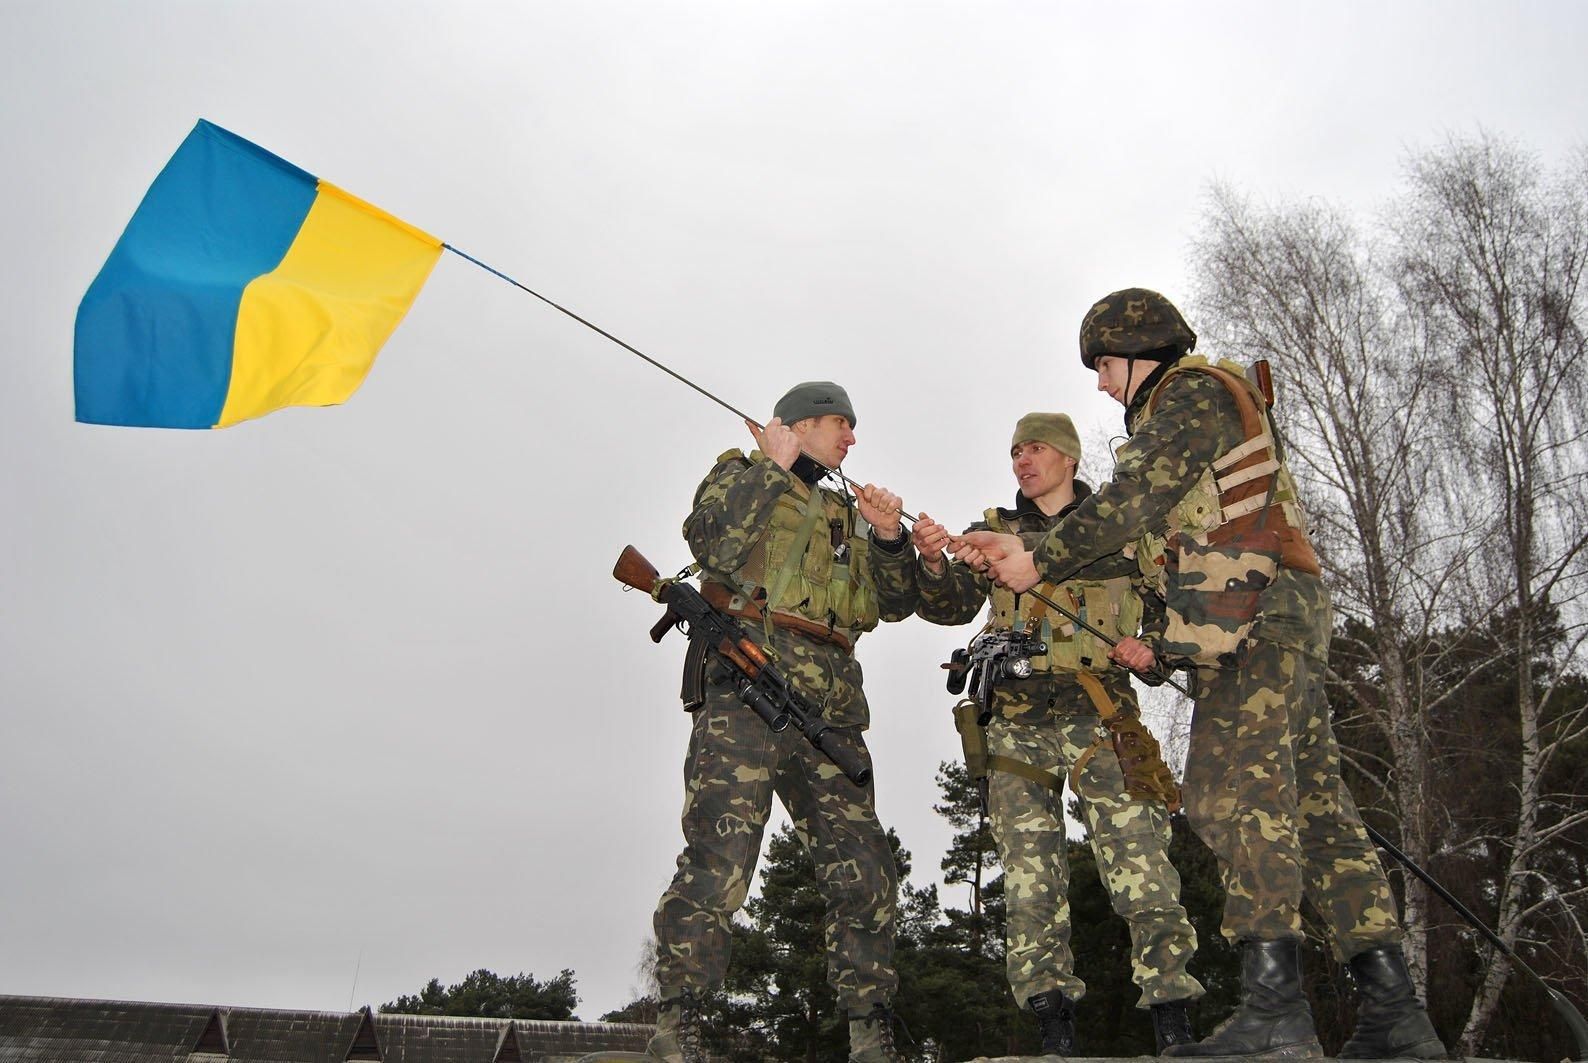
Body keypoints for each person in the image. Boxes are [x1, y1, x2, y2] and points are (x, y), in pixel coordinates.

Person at [959, 289, 1445, 1061]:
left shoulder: (1189, 395)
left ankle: (1275, 1011)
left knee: (1230, 795)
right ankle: (1394, 1010)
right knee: (1319, 813)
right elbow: (1187, 548)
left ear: (1140, 352)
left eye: (1106, 365)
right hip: (1263, 620)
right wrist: (1166, 648)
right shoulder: (1204, 409)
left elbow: (1133, 498)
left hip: (1259, 629)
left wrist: (1038, 556)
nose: (1100, 384)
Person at [909, 411, 1202, 1055]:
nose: (1022, 459)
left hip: (1100, 711)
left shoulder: (1121, 530)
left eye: (1036, 448)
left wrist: (1151, 650)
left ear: (1069, 458)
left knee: (1141, 860)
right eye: (1015, 450)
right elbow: (948, 608)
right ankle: (1052, 1027)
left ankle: (1174, 1017)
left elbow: (1172, 610)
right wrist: (933, 563)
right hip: (1015, 721)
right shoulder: (992, 535)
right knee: (1029, 878)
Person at [646, 381, 918, 1063]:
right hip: (748, 685)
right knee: (721, 853)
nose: (852, 439)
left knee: (865, 868)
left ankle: (870, 1028)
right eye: (839, 425)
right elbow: (711, 539)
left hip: (829, 706)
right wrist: (771, 465)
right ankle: (682, 1020)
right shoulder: (742, 473)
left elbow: (898, 600)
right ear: (798, 424)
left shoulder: (846, 511)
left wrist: (890, 539)